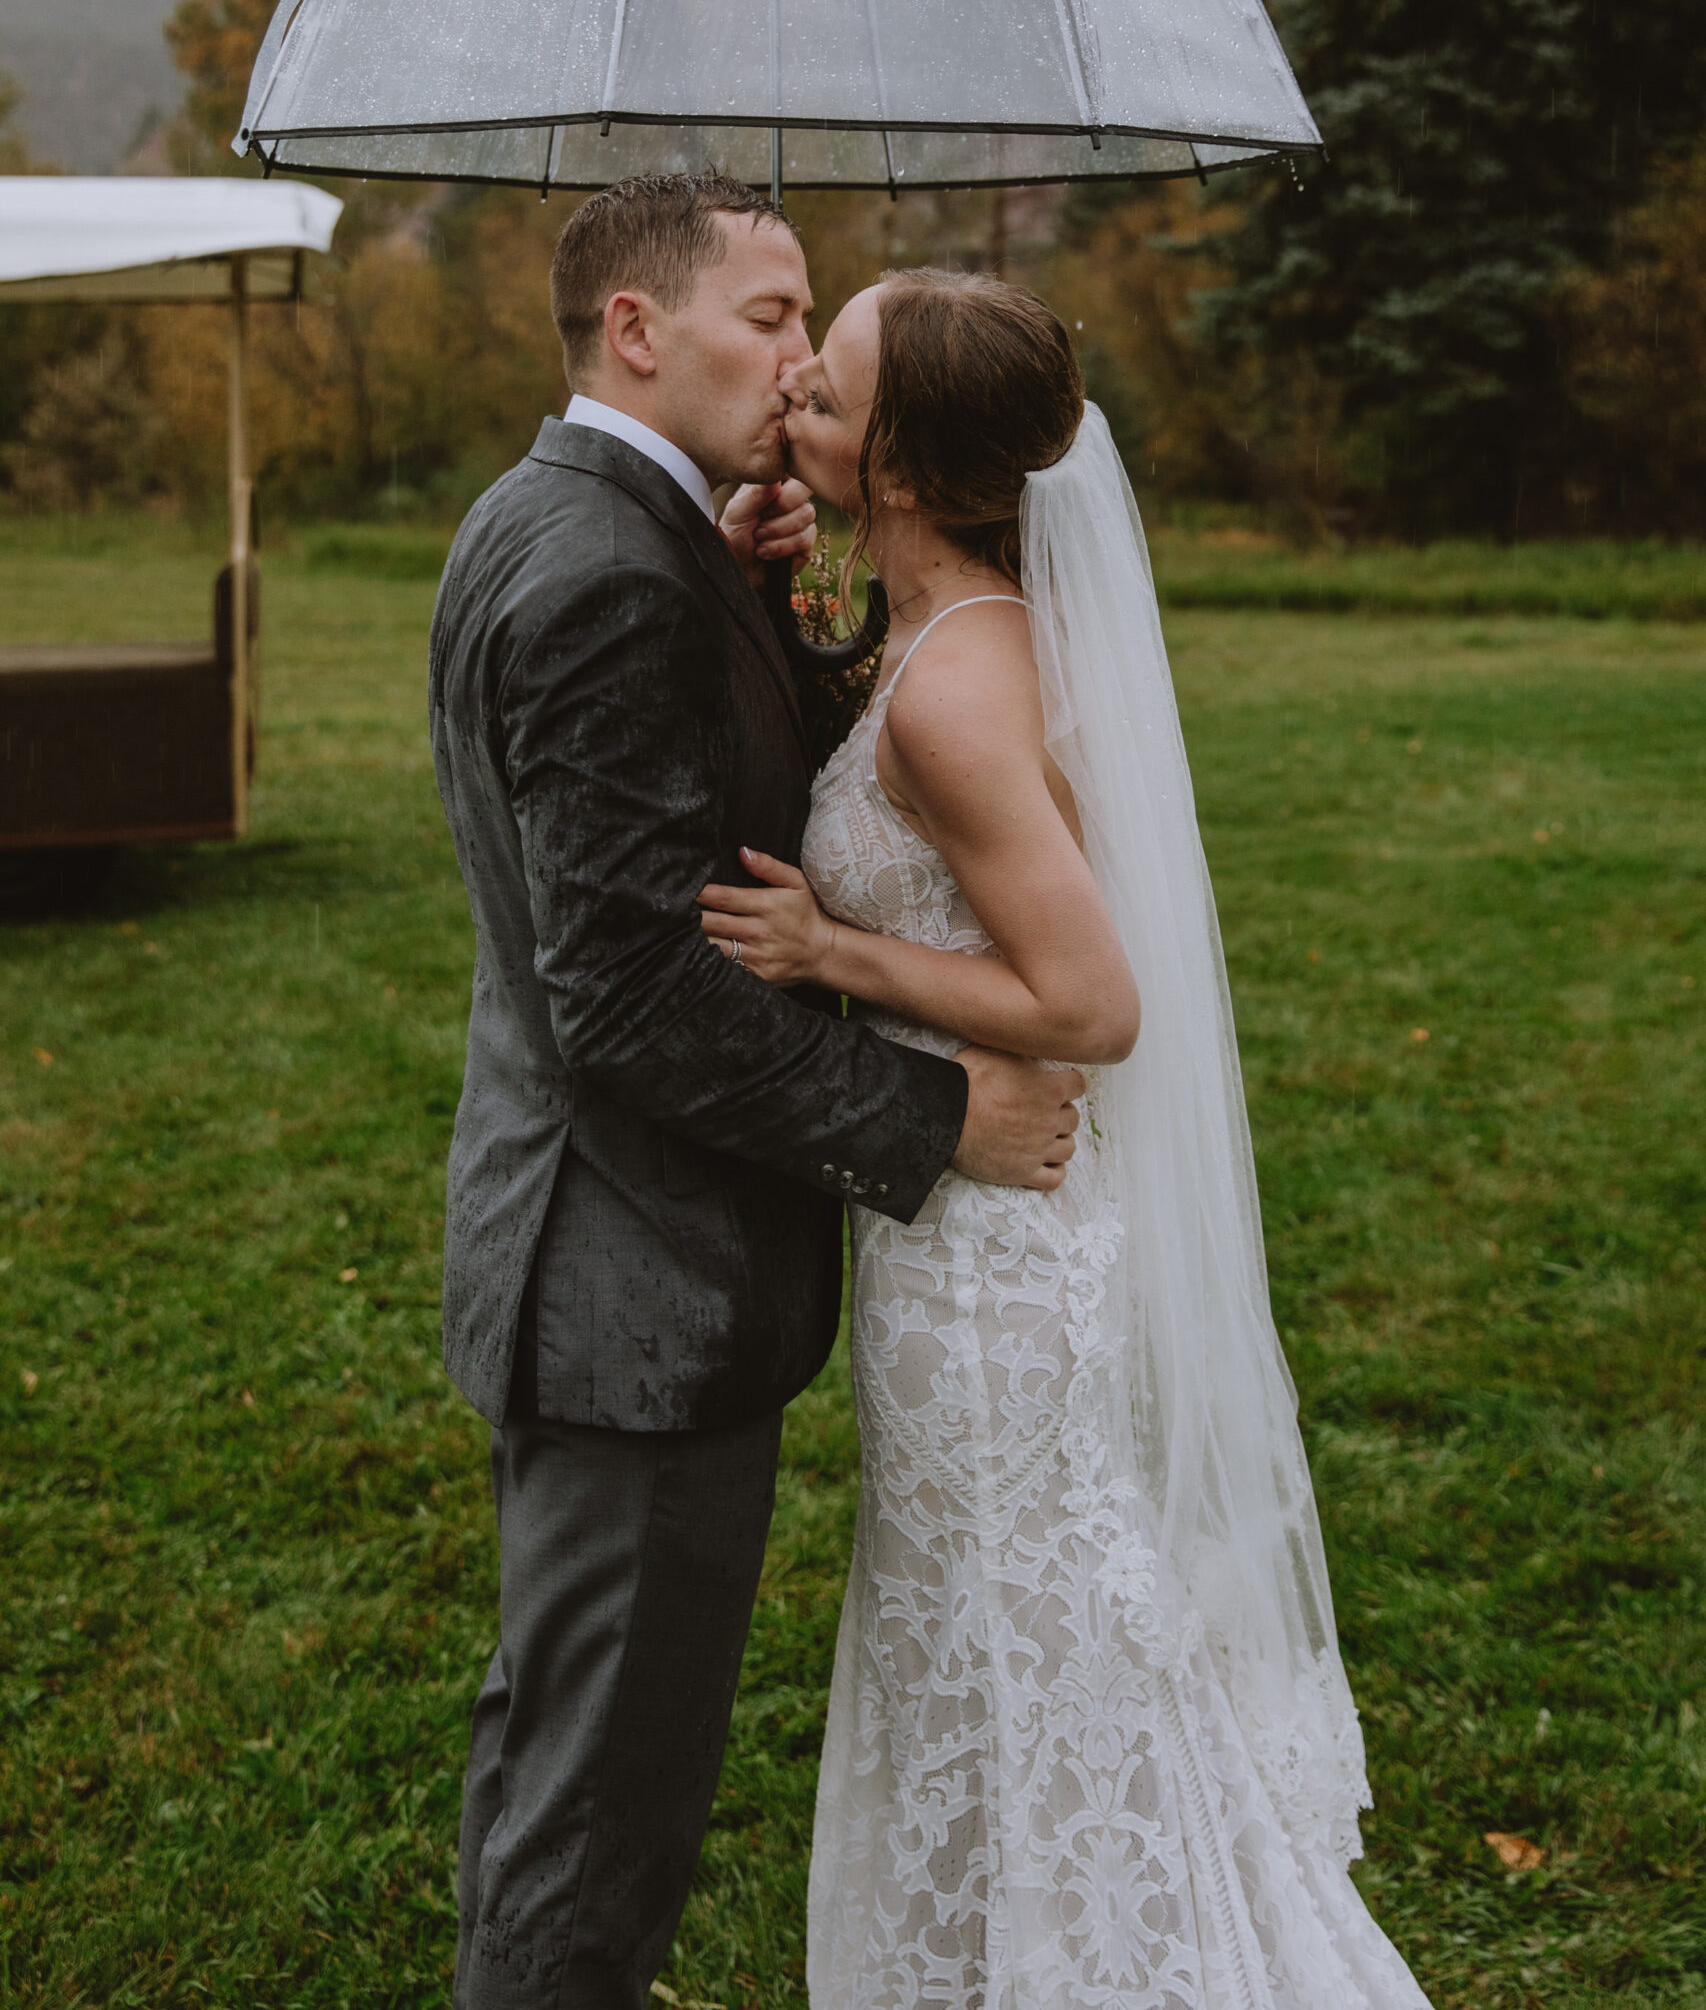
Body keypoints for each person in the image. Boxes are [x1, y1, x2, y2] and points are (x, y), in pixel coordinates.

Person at [700, 268, 1435, 2009]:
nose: (795, 386)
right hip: (977, 1225)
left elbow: (1093, 1001)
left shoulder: (955, 695)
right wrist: (775, 592)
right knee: (997, 1633)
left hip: (986, 1268)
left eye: (831, 383)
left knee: (1022, 1638)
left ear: (893, 464)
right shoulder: (956, 632)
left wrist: (833, 951)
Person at [428, 179, 1084, 2010]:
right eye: (771, 313)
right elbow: (633, 989)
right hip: (633, 1286)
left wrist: (758, 595)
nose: (802, 357)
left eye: (810, 325)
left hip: (593, 1256)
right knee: (596, 1810)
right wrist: (931, 1117)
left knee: (561, 1742)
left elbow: (706, 798)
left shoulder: (568, 518)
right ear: (639, 330)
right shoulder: (602, 575)